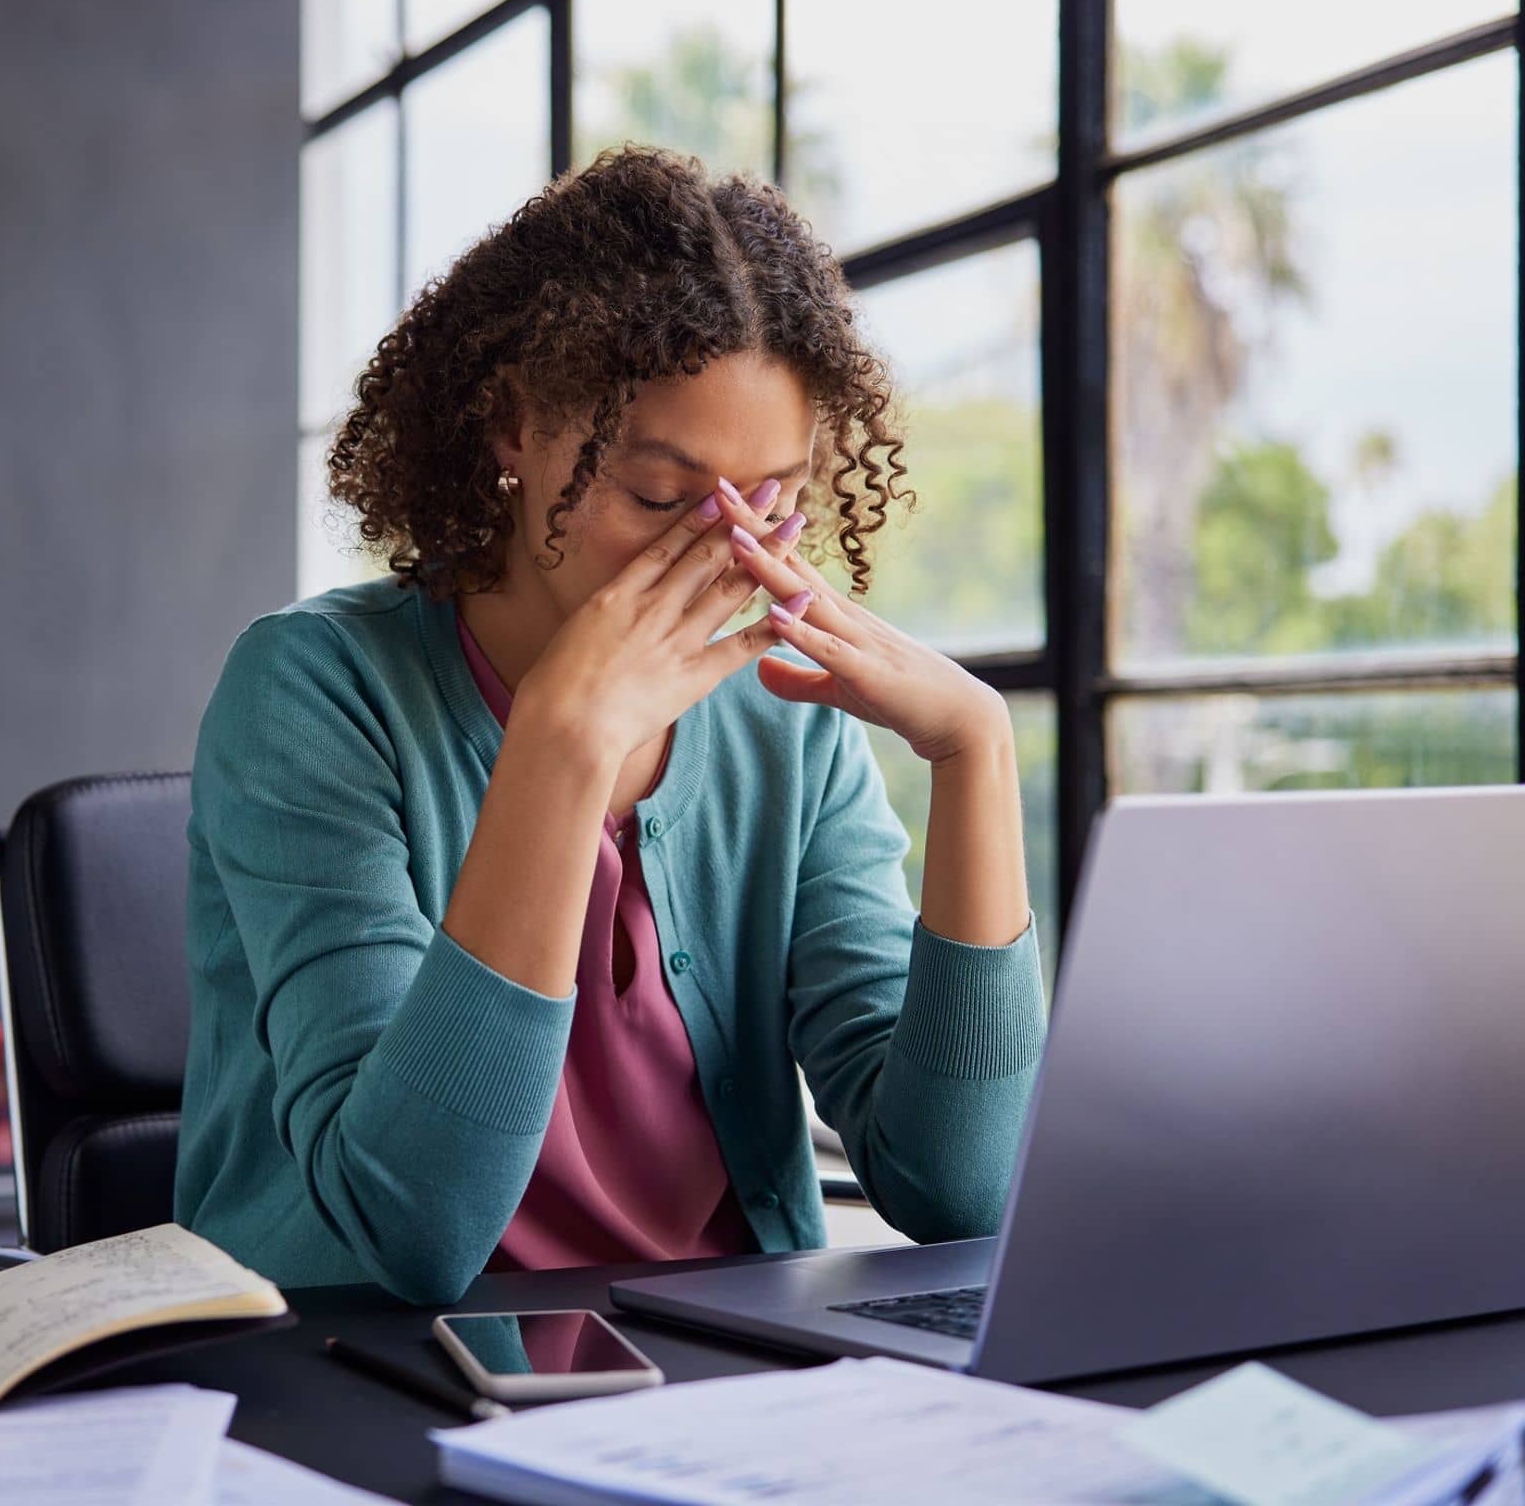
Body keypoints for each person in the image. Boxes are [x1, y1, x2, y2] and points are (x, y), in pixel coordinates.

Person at [175, 145, 1046, 1305]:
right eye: (657, 495)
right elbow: (410, 1229)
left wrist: (971, 754)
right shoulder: (311, 691)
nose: (728, 554)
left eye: (772, 500)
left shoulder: (782, 719)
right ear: (512, 431)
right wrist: (561, 747)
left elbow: (961, 1189)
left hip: (737, 1377)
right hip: (379, 1372)